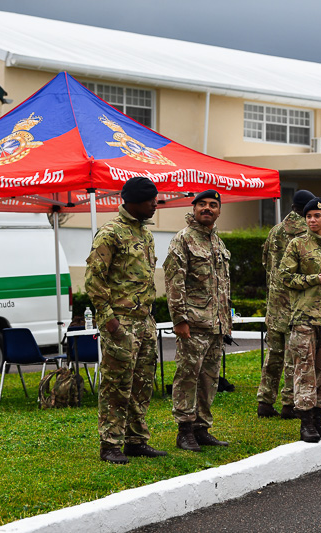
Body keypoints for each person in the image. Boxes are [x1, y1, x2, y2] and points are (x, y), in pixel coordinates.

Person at [85, 175, 167, 465]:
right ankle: (110, 444)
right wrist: (109, 321)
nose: (155, 205)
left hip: (144, 321)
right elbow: (94, 280)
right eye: (150, 200)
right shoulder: (110, 233)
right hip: (120, 323)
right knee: (117, 384)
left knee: (143, 383)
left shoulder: (145, 235)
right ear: (133, 201)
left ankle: (135, 439)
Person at [164, 189, 232, 452]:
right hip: (193, 324)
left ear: (219, 211)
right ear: (193, 209)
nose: (207, 208)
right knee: (187, 377)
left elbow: (223, 284)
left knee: (209, 378)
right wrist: (180, 319)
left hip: (215, 325)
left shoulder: (217, 243)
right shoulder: (183, 240)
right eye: (201, 204)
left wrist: (226, 321)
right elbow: (174, 282)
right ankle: (184, 430)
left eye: (212, 205)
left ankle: (201, 428)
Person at [280, 197, 321, 442]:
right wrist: (313, 279)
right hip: (304, 317)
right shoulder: (296, 245)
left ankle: (319, 421)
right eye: (308, 216)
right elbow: (285, 278)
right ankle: (306, 422)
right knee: (304, 370)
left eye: (317, 216)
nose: (312, 220)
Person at [256, 189, 315, 419]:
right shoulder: (306, 234)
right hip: (296, 302)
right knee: (295, 355)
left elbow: (265, 262)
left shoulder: (275, 231)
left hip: (274, 303)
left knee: (273, 354)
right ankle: (289, 404)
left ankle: (265, 401)